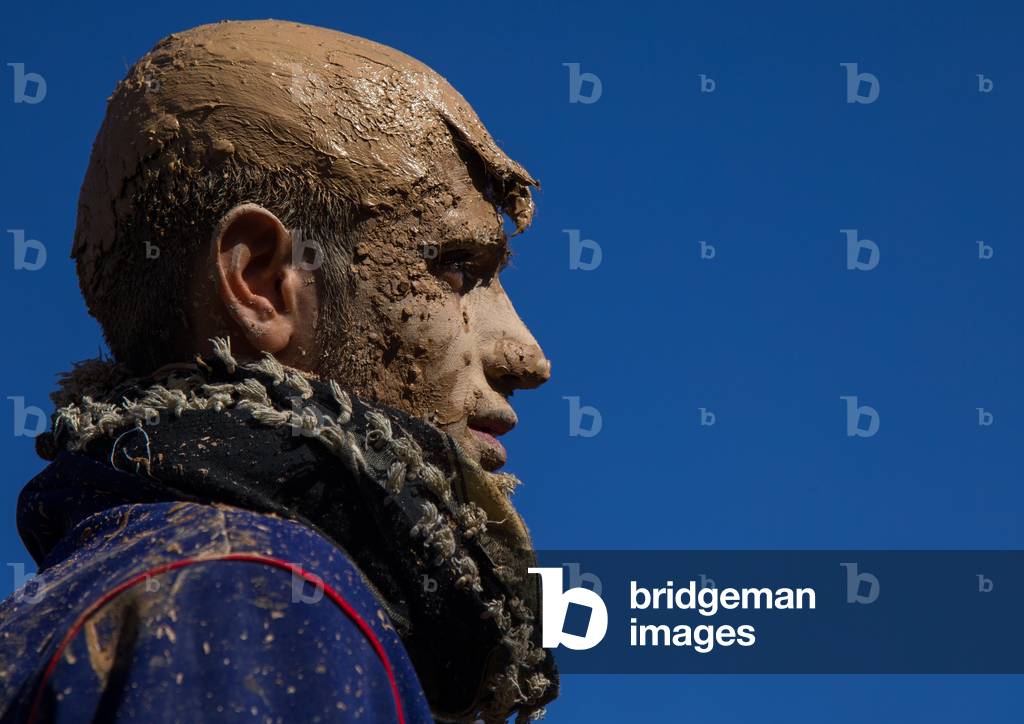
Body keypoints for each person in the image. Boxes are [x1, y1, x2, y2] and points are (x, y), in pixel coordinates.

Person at [0, 19, 558, 724]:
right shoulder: (253, 600)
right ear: (262, 282)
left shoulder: (80, 606)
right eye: (458, 268)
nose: (528, 356)